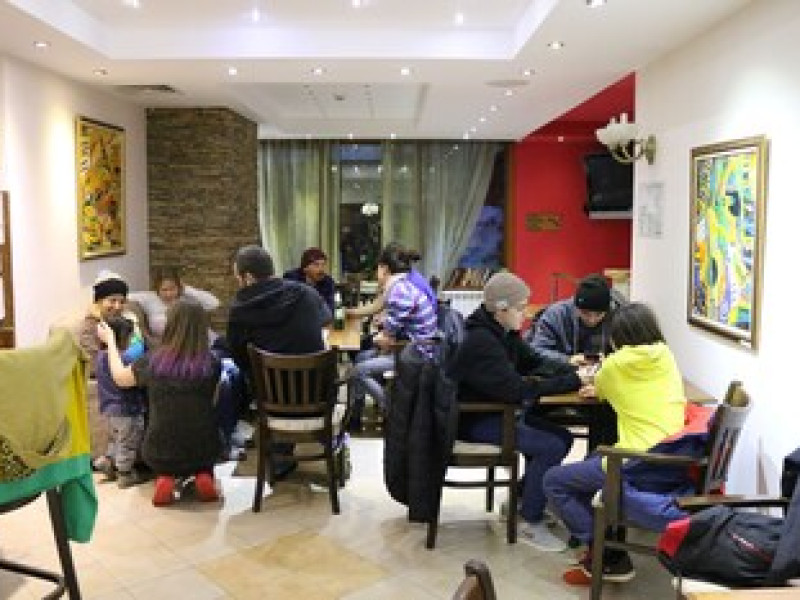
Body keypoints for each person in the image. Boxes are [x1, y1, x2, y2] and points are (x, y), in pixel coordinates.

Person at [543, 302, 686, 584]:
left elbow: (601, 390)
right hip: (674, 458)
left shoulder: (615, 365)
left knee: (555, 481)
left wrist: (597, 384)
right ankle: (603, 542)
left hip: (634, 463)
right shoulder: (666, 355)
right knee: (591, 461)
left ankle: (604, 554)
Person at [448, 271, 585, 552]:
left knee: (564, 438)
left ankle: (522, 498)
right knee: (551, 446)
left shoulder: (502, 332)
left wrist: (574, 370)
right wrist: (571, 382)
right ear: (501, 308)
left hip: (498, 413)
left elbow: (533, 361)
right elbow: (516, 390)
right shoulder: (482, 341)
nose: (525, 314)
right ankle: (528, 520)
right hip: (474, 420)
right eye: (520, 307)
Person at [97, 299, 222, 507]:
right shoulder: (212, 363)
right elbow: (213, 401)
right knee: (202, 438)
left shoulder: (152, 361)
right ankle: (202, 474)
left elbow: (119, 378)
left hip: (159, 451)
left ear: (170, 325)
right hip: (206, 449)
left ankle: (166, 476)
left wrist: (110, 341)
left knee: (164, 446)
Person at [227, 245, 332, 478]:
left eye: (237, 277)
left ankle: (278, 456)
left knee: (245, 374)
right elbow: (327, 319)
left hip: (270, 402)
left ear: (248, 277)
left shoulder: (240, 309)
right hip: (316, 397)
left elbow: (238, 355)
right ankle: (322, 445)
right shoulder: (305, 293)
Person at [347, 243, 438, 429]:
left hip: (417, 353)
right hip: (413, 347)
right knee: (363, 357)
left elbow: (386, 339)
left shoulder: (398, 290)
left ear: (384, 268)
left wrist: (380, 336)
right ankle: (355, 417)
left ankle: (392, 409)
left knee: (357, 370)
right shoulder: (403, 284)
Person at [93, 315, 147, 488]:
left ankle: (108, 461)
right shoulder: (125, 360)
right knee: (128, 443)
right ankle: (125, 473)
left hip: (109, 409)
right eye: (129, 337)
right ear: (122, 338)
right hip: (128, 409)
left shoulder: (100, 357)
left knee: (115, 439)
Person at [529, 273, 614, 368]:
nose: (592, 320)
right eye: (585, 313)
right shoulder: (555, 315)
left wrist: (611, 361)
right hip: (560, 371)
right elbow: (537, 351)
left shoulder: (617, 316)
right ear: (576, 307)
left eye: (599, 314)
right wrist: (568, 360)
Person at [128, 266, 219, 344]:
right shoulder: (149, 298)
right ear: (157, 289)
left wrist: (186, 289)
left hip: (198, 341)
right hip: (169, 346)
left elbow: (214, 303)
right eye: (164, 290)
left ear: (179, 287)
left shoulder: (186, 299)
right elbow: (125, 295)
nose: (169, 294)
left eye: (172, 289)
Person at [76, 270, 145, 371]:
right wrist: (127, 358)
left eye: (122, 302)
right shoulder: (89, 328)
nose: (117, 306)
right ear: (99, 301)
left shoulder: (127, 320)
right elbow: (95, 366)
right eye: (112, 301)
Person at [283, 247, 336, 313]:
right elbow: (289, 307)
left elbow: (329, 309)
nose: (321, 269)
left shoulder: (328, 282)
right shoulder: (291, 279)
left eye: (323, 265)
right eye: (316, 265)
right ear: (305, 268)